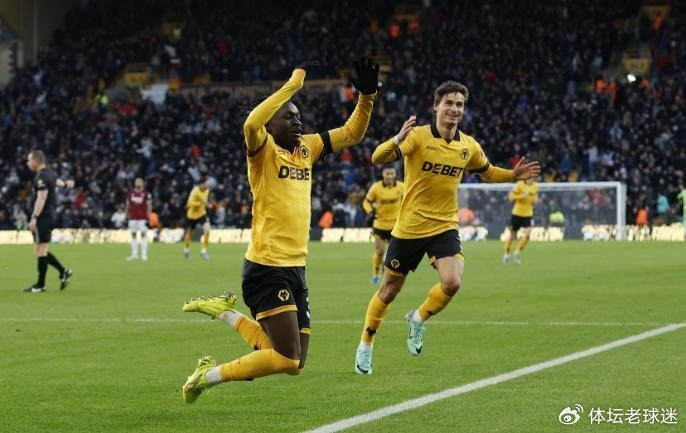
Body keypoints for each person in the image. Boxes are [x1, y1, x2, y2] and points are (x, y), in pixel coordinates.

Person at [180, 57, 379, 402]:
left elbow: (352, 133)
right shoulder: (262, 150)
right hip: (266, 267)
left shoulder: (307, 148)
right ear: (270, 125)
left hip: (296, 266)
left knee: (294, 362)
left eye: (299, 116)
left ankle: (223, 311)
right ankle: (206, 377)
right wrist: (293, 85)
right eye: (288, 116)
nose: (297, 120)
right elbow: (250, 122)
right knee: (286, 357)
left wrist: (367, 96)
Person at [354, 81, 540, 375]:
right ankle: (366, 344)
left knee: (452, 282)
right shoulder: (417, 137)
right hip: (410, 227)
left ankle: (418, 318)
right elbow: (377, 158)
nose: (454, 109)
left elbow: (488, 172)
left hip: (444, 225)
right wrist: (397, 139)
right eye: (449, 103)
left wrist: (512, 175)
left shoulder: (469, 146)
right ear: (436, 106)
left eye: (459, 104)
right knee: (389, 291)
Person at [23, 150, 75, 293]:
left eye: (29, 160)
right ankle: (63, 271)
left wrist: (34, 217)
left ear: (36, 161)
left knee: (41, 249)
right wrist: (66, 185)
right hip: (50, 215)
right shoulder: (50, 173)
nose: (27, 163)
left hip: (43, 216)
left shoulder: (41, 177)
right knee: (40, 249)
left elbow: (42, 197)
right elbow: (58, 182)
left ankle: (41, 285)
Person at [363, 165, 404, 284]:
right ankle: (376, 275)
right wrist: (370, 212)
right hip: (380, 225)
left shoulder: (401, 186)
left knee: (394, 254)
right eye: (387, 173)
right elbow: (366, 202)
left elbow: (409, 200)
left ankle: (390, 275)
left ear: (395, 174)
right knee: (379, 252)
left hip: (395, 226)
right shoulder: (376, 187)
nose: (389, 176)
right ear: (383, 174)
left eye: (392, 173)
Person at [503, 178, 538, 264]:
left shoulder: (535, 186)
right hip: (517, 214)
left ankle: (517, 252)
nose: (531, 179)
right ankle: (506, 254)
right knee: (512, 235)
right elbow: (511, 197)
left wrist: (535, 200)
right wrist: (522, 196)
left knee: (528, 235)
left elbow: (534, 197)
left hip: (528, 214)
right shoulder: (519, 184)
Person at [182, 177, 211, 260]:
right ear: (202, 184)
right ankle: (186, 249)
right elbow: (189, 203)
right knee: (189, 234)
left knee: (207, 229)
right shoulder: (195, 191)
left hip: (202, 214)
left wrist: (206, 204)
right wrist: (200, 203)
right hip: (192, 215)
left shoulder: (207, 190)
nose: (208, 184)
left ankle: (204, 250)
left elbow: (205, 200)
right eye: (206, 183)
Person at [125, 177, 152, 261]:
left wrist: (148, 217)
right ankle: (134, 254)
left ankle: (144, 255)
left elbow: (149, 206)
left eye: (140, 181)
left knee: (143, 235)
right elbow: (127, 205)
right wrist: (127, 215)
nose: (138, 183)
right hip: (133, 218)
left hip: (142, 218)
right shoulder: (130, 193)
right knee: (133, 235)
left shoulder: (146, 194)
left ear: (143, 183)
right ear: (134, 183)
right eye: (137, 181)